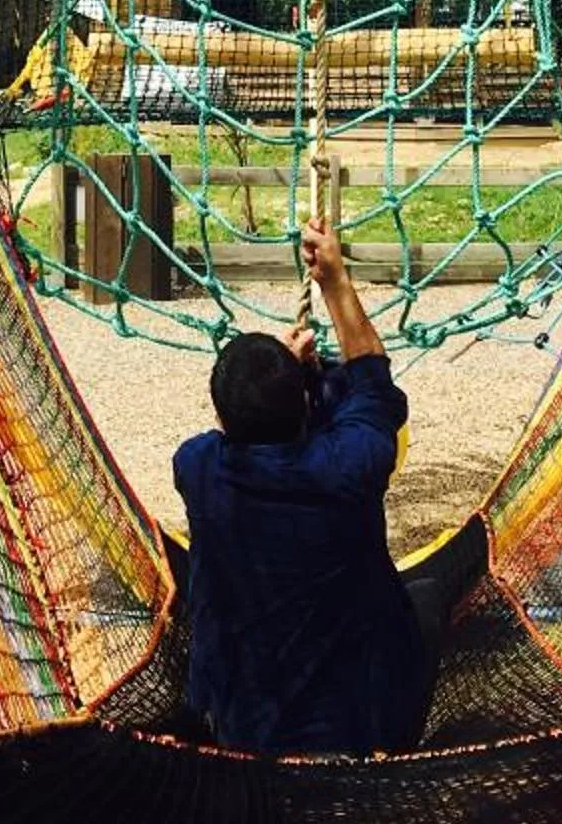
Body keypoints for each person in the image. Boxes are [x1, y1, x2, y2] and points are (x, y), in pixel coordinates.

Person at [169, 217, 482, 755]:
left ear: (222, 421)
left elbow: (260, 429)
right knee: (429, 594)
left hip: (245, 731)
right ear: (304, 407)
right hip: (370, 727)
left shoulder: (198, 468)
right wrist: (334, 284)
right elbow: (373, 390)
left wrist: (295, 377)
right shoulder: (351, 466)